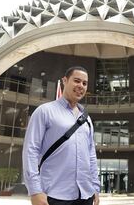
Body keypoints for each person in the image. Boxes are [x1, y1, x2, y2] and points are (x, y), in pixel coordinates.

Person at [22, 66, 100, 205]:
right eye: (76, 81)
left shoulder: (86, 119)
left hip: (86, 195)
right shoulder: (44, 111)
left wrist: (95, 186)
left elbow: (91, 155)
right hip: (54, 195)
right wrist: (35, 191)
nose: (80, 86)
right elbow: (30, 151)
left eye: (84, 83)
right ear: (65, 80)